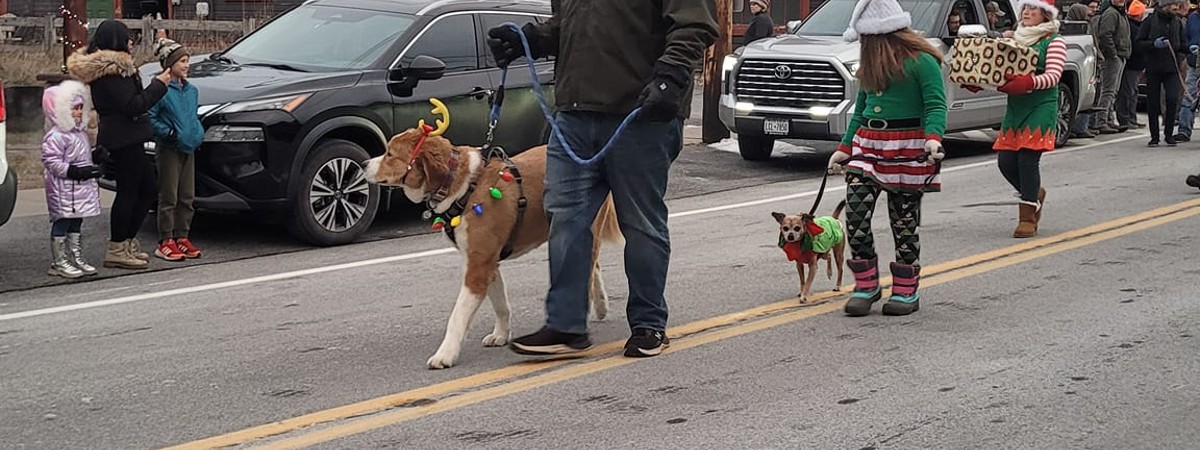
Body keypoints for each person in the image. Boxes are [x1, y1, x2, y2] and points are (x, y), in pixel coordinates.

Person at [486, 2, 718, 357]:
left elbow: (695, 25)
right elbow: (572, 29)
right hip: (576, 114)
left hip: (641, 114)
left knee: (640, 222)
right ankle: (566, 326)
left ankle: (648, 324)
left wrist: (670, 75)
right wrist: (530, 39)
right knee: (564, 216)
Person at [829, 0, 947, 317]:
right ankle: (866, 285)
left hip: (908, 147)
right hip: (869, 145)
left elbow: (937, 105)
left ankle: (906, 290)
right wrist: (845, 147)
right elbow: (860, 112)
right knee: (855, 216)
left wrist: (933, 138)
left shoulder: (923, 61)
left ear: (882, 36)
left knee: (903, 223)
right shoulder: (870, 65)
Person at [67, 19, 171, 270]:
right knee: (130, 191)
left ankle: (126, 241)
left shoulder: (114, 69)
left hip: (129, 136)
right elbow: (133, 105)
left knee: (148, 188)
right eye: (127, 38)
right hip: (123, 138)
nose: (131, 43)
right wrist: (159, 85)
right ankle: (117, 247)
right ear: (116, 41)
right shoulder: (111, 72)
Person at [993, 0, 1067, 238]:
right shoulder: (1013, 40)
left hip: (1041, 106)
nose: (1026, 12)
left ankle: (1027, 218)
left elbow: (1054, 76)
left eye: (1032, 9)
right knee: (1006, 162)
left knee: (1027, 159)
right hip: (1016, 107)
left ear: (1045, 15)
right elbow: (996, 68)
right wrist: (979, 80)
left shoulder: (1054, 42)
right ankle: (1033, 192)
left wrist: (1028, 82)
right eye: (1025, 8)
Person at [149, 38, 204, 261]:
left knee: (187, 195)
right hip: (169, 148)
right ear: (169, 64)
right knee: (169, 195)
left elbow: (193, 115)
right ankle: (166, 239)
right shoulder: (161, 89)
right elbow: (151, 118)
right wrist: (168, 133)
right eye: (182, 61)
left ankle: (182, 235)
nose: (186, 65)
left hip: (188, 148)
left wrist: (196, 132)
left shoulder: (192, 91)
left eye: (187, 61)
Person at [41, 80, 102, 279]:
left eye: (80, 108)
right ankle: (59, 261)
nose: (78, 113)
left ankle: (75, 255)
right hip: (63, 188)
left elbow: (82, 156)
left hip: (79, 188)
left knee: (77, 221)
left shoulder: (79, 133)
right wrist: (73, 171)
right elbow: (51, 161)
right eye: (74, 109)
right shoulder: (56, 136)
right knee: (63, 221)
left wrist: (96, 157)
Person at [1135, 0, 1187, 146]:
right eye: (1173, 5)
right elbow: (1138, 43)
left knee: (1172, 99)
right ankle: (1154, 136)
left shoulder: (1178, 23)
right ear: (1165, 6)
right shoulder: (1150, 21)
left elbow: (1182, 44)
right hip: (1153, 68)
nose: (1176, 8)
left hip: (1172, 68)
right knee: (1153, 102)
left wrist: (1189, 49)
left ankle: (1169, 134)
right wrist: (1153, 44)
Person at [1093, 0, 1131, 133]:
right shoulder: (1111, 14)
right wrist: (1113, 54)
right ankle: (1101, 121)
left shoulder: (1121, 14)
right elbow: (1105, 34)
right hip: (1112, 58)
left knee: (1113, 90)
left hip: (1120, 56)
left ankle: (1109, 119)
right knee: (1108, 90)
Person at [1117, 0, 1148, 129]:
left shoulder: (1134, 27)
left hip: (1136, 64)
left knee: (1132, 92)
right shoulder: (1134, 28)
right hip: (1132, 64)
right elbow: (1136, 46)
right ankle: (1126, 119)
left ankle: (1131, 118)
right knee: (1128, 92)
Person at [1174, 2, 1200, 142]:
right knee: (1189, 97)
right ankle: (1184, 130)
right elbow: (1186, 38)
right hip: (1193, 65)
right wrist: (1189, 47)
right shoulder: (1192, 18)